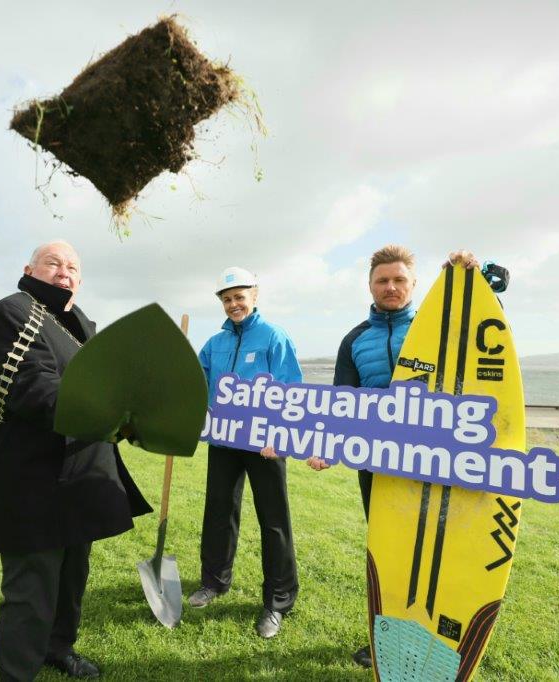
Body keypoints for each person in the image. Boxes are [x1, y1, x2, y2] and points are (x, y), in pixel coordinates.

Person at [0, 240, 151, 681]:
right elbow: (35, 389)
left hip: (83, 475)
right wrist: (109, 410)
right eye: (54, 263)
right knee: (31, 589)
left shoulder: (82, 326)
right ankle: (17, 673)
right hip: (33, 476)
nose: (65, 272)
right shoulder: (14, 312)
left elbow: (111, 385)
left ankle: (59, 647)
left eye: (73, 267)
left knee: (72, 578)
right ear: (29, 268)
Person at [308, 245, 484, 669]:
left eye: (399, 280)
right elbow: (342, 402)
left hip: (433, 461)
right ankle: (385, 639)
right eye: (382, 280)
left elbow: (483, 332)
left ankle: (440, 638)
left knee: (437, 551)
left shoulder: (439, 326)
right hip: (376, 462)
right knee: (388, 553)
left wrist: (471, 278)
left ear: (414, 284)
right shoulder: (354, 339)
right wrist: (327, 446)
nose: (391, 287)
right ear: (369, 286)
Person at [188, 267, 303, 639]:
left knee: (273, 520)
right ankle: (214, 581)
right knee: (219, 510)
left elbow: (292, 390)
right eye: (226, 299)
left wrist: (282, 435)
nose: (233, 304)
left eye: (239, 296)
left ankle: (277, 601)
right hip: (224, 441)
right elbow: (197, 385)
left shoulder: (273, 336)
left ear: (255, 295)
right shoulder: (213, 344)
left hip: (265, 444)